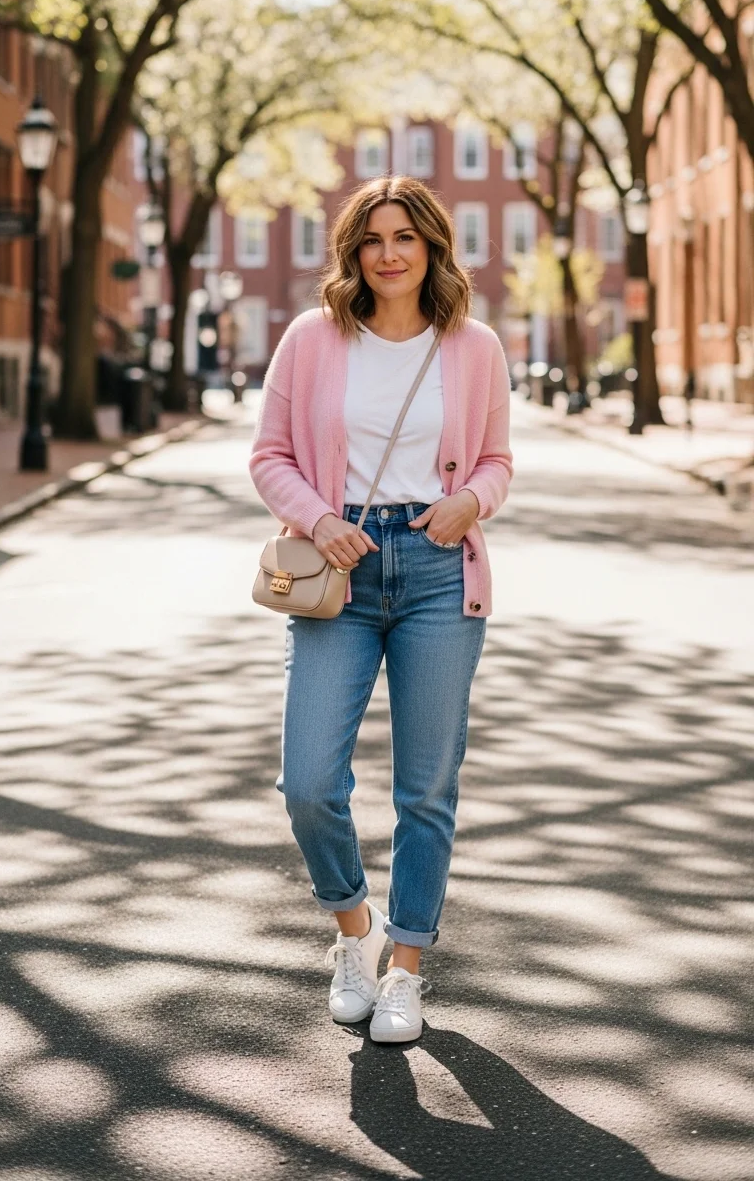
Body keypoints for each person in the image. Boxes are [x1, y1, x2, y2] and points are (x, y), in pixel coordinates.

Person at [250, 175, 513, 1043]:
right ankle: (354, 934)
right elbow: (270, 457)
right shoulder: (311, 340)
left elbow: (498, 461)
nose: (389, 254)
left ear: (433, 245)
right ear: (352, 251)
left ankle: (405, 967)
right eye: (372, 239)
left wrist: (470, 502)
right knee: (310, 785)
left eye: (405, 237)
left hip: (440, 570)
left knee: (426, 789)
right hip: (339, 574)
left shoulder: (472, 347)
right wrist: (318, 519)